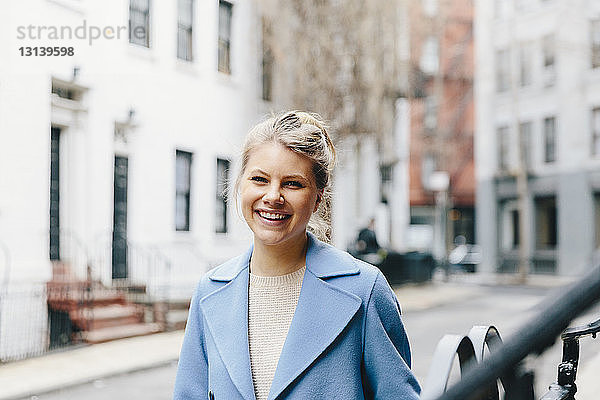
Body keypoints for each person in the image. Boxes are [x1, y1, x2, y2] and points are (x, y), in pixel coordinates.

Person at [173, 111, 420, 400]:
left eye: (293, 183)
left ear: (317, 197)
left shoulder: (365, 290)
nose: (273, 196)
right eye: (259, 179)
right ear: (241, 184)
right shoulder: (210, 292)